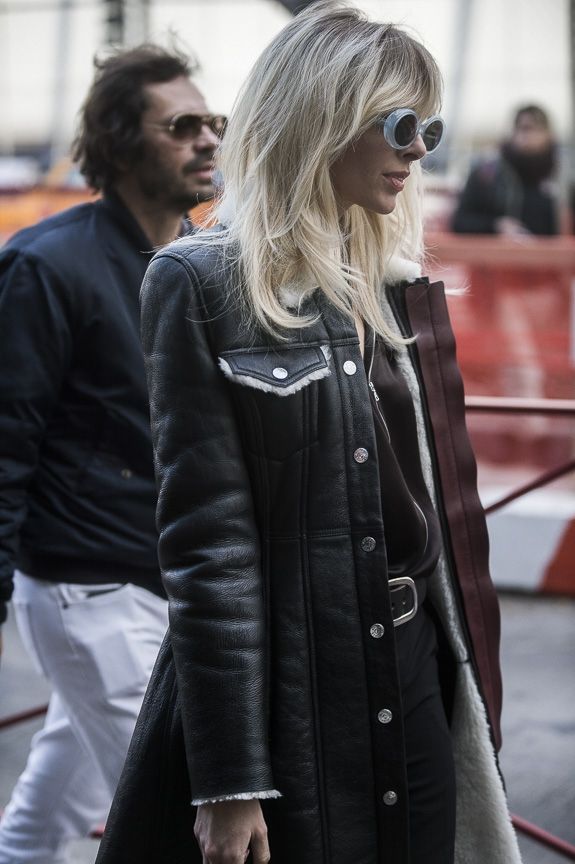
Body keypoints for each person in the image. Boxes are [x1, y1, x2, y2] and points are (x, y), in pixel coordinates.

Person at [96, 5, 523, 864]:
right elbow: (209, 548)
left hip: (416, 665)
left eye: (430, 129)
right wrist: (228, 778)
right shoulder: (200, 279)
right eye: (400, 125)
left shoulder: (391, 281)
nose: (418, 150)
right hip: (300, 686)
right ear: (322, 117)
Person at [0, 43, 223, 864]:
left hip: (162, 577)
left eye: (213, 122)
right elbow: (6, 439)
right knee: (183, 814)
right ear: (123, 144)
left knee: (58, 796)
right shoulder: (45, 264)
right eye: (182, 126)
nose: (208, 139)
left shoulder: (199, 260)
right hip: (87, 589)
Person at [451, 104, 559, 235]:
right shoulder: (486, 175)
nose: (531, 136)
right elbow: (459, 222)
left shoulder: (554, 177)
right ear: (513, 132)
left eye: (539, 129)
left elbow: (554, 233)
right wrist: (495, 226)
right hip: (491, 247)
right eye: (525, 128)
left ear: (548, 135)